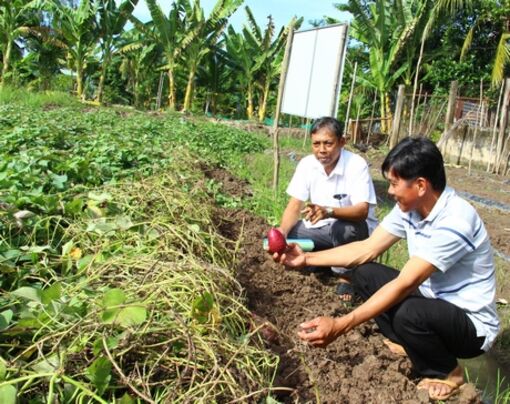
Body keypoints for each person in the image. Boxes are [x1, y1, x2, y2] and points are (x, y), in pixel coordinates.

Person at [273, 137, 499, 401]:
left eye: (394, 183)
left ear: (421, 185)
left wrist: (341, 325)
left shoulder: (455, 220)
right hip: (433, 303)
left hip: (470, 325)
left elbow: (405, 284)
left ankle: (448, 373)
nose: (389, 191)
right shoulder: (411, 208)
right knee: (364, 273)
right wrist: (307, 259)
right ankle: (410, 344)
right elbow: (365, 248)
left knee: (409, 313)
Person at [278, 116, 378, 301]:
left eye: (328, 143)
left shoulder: (356, 165)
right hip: (321, 228)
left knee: (344, 229)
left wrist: (328, 211)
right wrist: (282, 233)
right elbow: (294, 205)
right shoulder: (307, 164)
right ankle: (323, 263)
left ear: (342, 142)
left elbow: (362, 211)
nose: (321, 150)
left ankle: (346, 277)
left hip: (356, 231)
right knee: (291, 234)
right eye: (316, 144)